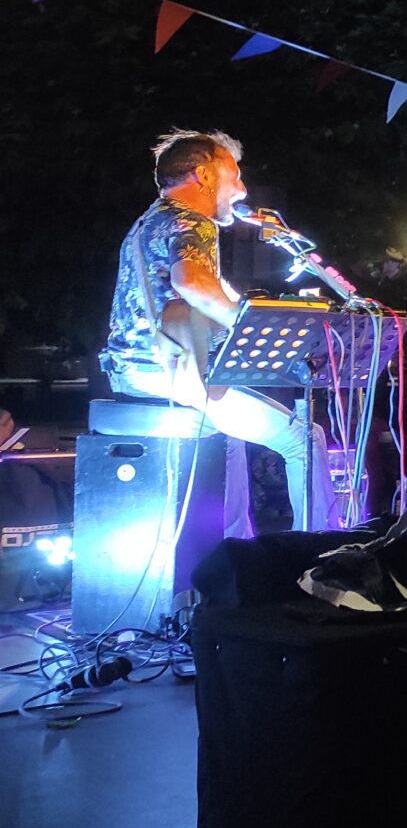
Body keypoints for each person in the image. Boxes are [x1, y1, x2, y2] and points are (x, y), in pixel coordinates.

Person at [102, 129, 333, 530]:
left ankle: (232, 546)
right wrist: (257, 335)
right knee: (305, 439)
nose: (242, 190)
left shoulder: (148, 223)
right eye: (235, 176)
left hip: (133, 372)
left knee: (228, 438)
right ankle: (320, 551)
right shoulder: (193, 220)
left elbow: (194, 294)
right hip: (172, 376)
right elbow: (192, 283)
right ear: (205, 175)